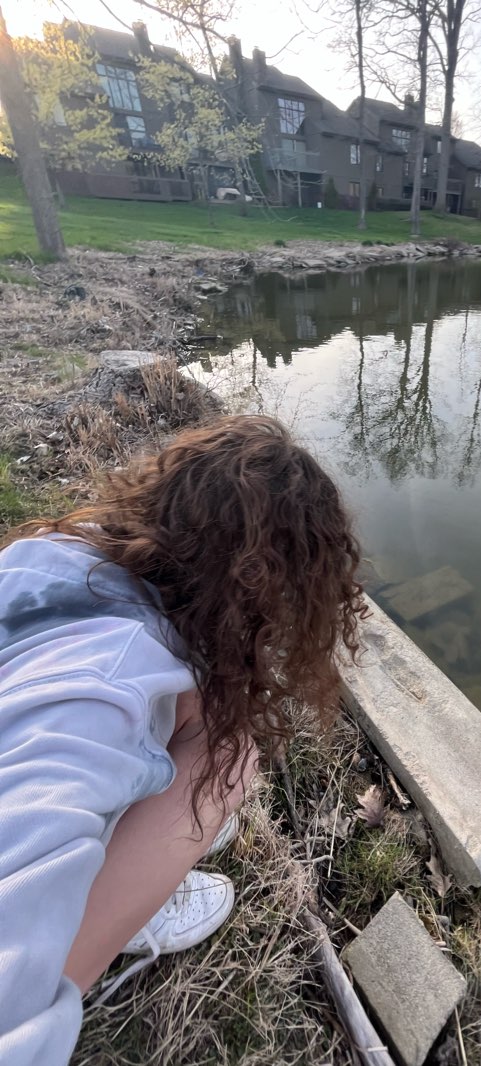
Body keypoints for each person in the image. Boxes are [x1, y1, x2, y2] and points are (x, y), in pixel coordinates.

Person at [0, 415, 365, 1066]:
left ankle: (112, 860)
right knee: (228, 759)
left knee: (205, 707)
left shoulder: (68, 551)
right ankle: (120, 912)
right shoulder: (98, 701)